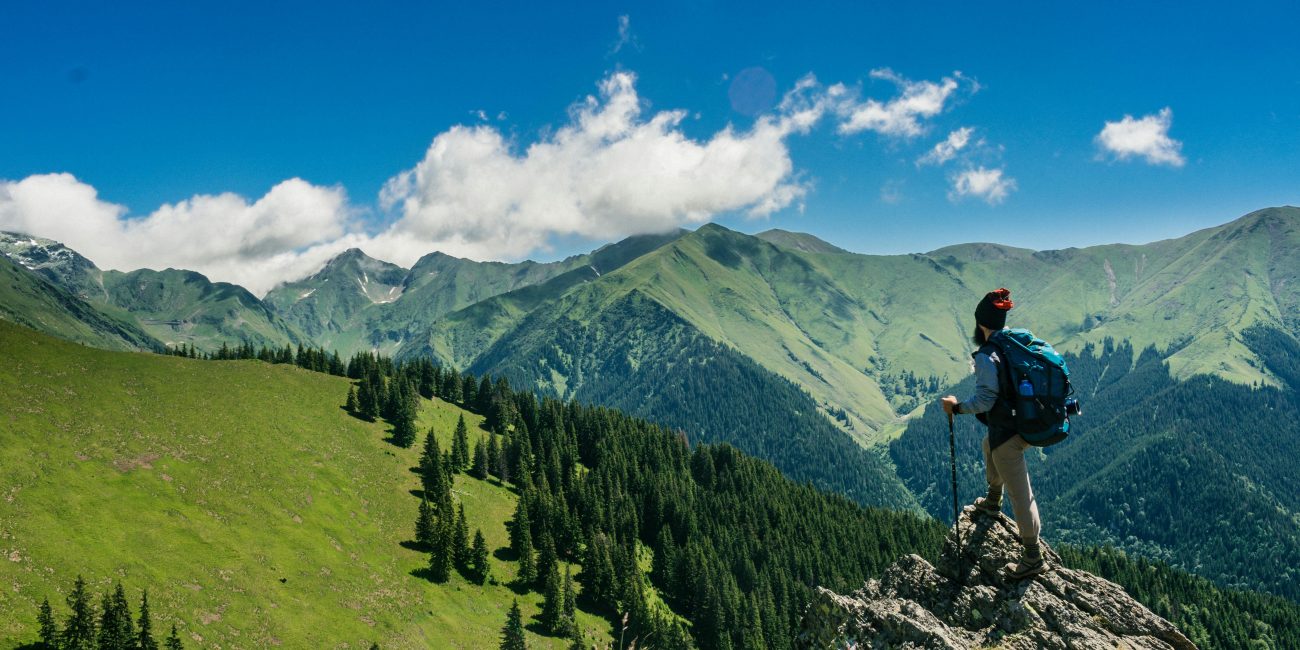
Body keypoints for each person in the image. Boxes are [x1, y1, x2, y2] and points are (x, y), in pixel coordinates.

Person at [940, 288, 1046, 579]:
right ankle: (992, 500)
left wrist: (956, 407)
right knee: (990, 445)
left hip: (1011, 432)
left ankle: (1033, 556)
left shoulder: (989, 355)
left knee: (1020, 492)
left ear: (981, 324)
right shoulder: (1014, 341)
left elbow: (985, 400)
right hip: (1025, 420)